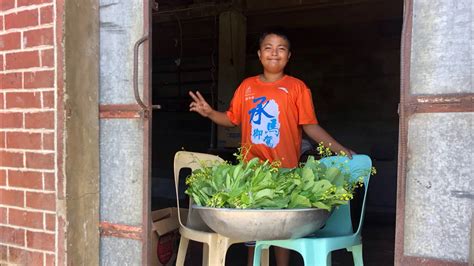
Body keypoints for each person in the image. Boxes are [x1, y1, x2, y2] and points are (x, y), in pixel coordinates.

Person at [189, 27, 354, 266]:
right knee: (252, 232)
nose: (274, 53)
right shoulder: (246, 87)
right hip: (251, 172)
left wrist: (339, 149)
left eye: (281, 49)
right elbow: (232, 119)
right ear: (259, 54)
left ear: (289, 56)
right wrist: (210, 113)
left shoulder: (298, 88)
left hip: (285, 171)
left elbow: (310, 127)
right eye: (268, 48)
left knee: (282, 230)